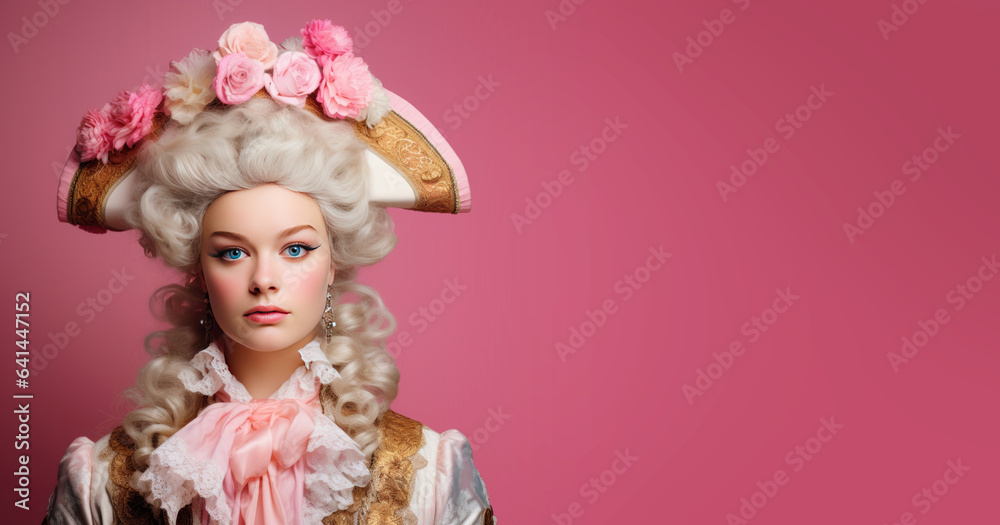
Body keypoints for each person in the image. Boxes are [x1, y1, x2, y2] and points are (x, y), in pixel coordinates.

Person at [45, 19, 495, 525]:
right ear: (198, 270)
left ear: (334, 264)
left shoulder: (428, 476)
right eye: (231, 253)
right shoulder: (102, 482)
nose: (264, 279)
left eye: (296, 249)